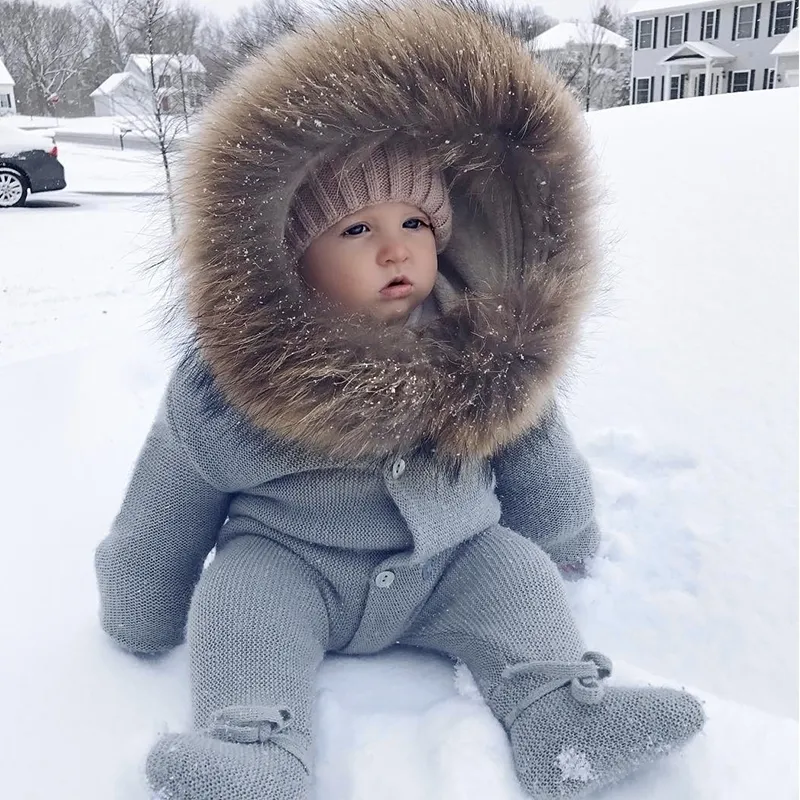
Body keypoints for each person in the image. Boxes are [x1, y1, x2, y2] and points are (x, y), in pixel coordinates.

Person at [94, 3, 704, 798]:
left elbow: (536, 447)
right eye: (354, 229)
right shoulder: (235, 377)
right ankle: (256, 748)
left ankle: (561, 717)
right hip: (292, 565)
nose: (396, 248)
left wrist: (564, 532)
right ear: (289, 255)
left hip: (450, 562)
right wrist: (142, 598)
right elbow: (167, 497)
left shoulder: (482, 338)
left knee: (513, 570)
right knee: (238, 601)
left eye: (415, 221)